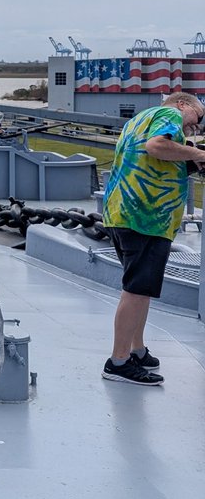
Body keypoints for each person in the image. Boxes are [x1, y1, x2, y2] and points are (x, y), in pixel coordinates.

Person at [100, 90, 205, 386]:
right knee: (135, 290)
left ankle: (137, 349)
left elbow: (152, 155)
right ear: (183, 104)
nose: (195, 126)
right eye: (197, 117)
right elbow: (157, 146)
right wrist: (198, 153)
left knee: (139, 288)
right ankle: (118, 362)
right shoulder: (171, 114)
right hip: (145, 217)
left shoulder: (139, 118)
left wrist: (185, 155)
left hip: (122, 212)